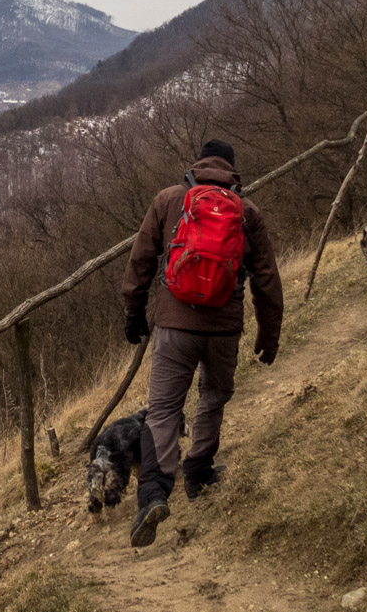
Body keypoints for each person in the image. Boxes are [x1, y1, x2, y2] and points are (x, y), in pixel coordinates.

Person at [119, 138, 283, 547]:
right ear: (232, 171)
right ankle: (198, 471)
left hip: (175, 326)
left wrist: (133, 312)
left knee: (163, 409)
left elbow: (141, 259)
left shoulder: (170, 200)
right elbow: (266, 280)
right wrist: (269, 334)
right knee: (214, 395)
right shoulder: (248, 213)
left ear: (198, 164)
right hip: (224, 328)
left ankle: (154, 493)